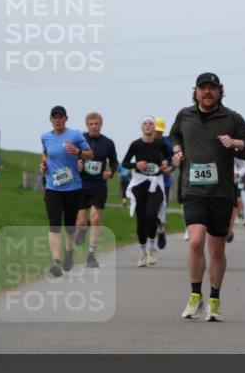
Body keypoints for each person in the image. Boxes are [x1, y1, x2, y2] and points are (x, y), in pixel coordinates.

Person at [170, 73, 245, 322]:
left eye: (212, 88)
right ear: (196, 91)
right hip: (193, 190)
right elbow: (174, 135)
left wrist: (235, 142)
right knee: (196, 241)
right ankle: (195, 295)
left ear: (220, 91)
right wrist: (177, 151)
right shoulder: (184, 115)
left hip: (221, 192)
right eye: (203, 88)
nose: (207, 92)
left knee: (216, 250)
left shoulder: (231, 118)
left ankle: (215, 299)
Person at [39, 106, 92, 276]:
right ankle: (56, 261)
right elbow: (45, 154)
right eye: (54, 117)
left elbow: (90, 154)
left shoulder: (75, 135)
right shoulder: (45, 137)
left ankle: (69, 252)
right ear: (51, 120)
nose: (57, 120)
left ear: (65, 119)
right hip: (53, 187)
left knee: (70, 226)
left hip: (73, 187)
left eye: (60, 117)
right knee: (54, 224)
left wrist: (77, 152)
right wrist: (43, 164)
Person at [122, 116, 173, 267]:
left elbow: (170, 158)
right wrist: (136, 164)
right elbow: (125, 163)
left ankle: (152, 248)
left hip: (156, 183)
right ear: (141, 127)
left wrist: (166, 164)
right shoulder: (136, 144)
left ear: (154, 127)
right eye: (145, 123)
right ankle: (143, 252)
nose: (148, 126)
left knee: (151, 215)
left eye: (151, 123)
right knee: (141, 219)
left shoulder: (160, 144)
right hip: (139, 183)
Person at [74, 112, 118, 268]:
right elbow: (70, 157)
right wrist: (77, 164)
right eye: (91, 124)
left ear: (101, 124)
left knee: (96, 219)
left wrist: (110, 172)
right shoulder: (79, 140)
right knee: (80, 221)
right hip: (80, 185)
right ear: (87, 125)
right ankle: (82, 230)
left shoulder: (108, 143)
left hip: (99, 185)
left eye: (96, 123)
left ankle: (91, 255)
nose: (94, 126)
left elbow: (114, 162)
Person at [153, 117, 174, 250]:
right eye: (156, 131)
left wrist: (170, 169)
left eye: (160, 132)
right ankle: (153, 235)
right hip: (148, 181)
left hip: (164, 182)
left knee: (161, 211)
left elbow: (175, 159)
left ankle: (161, 231)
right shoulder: (145, 142)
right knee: (150, 212)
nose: (158, 134)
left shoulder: (167, 143)